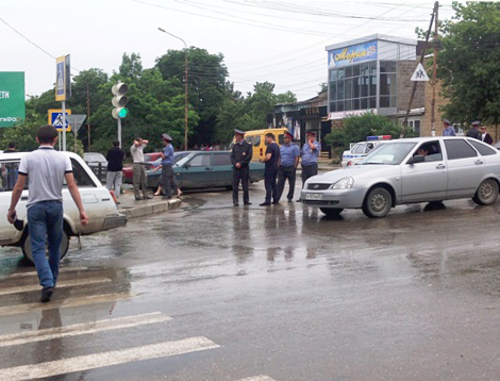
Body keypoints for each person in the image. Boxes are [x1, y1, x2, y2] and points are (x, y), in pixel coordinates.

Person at [7, 125, 88, 303]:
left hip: (36, 208)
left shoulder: (28, 158)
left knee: (37, 248)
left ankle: (47, 282)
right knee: (54, 247)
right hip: (56, 207)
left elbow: (19, 186)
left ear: (37, 139)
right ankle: (52, 282)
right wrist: (81, 209)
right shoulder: (63, 158)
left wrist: (11, 209)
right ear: (55, 139)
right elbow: (72, 185)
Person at [276, 131, 300, 203]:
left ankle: (290, 196)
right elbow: (280, 157)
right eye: (284, 138)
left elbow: (297, 157)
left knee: (291, 183)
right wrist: (278, 164)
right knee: (280, 183)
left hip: (290, 167)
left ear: (290, 139)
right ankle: (277, 197)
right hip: (282, 167)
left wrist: (294, 167)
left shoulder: (295, 147)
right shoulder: (282, 147)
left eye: (286, 138)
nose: (285, 139)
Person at [231, 129, 252, 206]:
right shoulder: (235, 146)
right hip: (236, 169)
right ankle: (235, 201)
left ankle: (246, 200)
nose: (235, 137)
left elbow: (249, 157)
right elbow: (232, 157)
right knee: (235, 186)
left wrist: (241, 163)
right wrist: (235, 163)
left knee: (245, 185)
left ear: (240, 136)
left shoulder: (248, 146)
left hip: (244, 168)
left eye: (236, 136)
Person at [297, 131, 320, 202]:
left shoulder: (316, 144)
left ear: (313, 137)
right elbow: (301, 153)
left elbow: (313, 147)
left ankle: (314, 197)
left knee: (313, 182)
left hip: (312, 166)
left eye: (309, 136)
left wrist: (310, 142)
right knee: (304, 182)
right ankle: (303, 197)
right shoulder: (305, 145)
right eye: (307, 136)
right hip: (305, 166)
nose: (308, 138)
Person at [260, 132, 280, 206]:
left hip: (269, 167)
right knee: (274, 183)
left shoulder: (270, 146)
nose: (265, 139)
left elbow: (268, 157)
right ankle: (275, 199)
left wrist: (263, 160)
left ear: (270, 137)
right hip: (275, 167)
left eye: (266, 138)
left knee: (268, 184)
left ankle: (267, 200)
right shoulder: (277, 146)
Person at [160, 133, 181, 199]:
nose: (163, 142)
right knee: (172, 179)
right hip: (168, 165)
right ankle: (177, 191)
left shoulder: (169, 147)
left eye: (163, 140)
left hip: (167, 165)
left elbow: (164, 157)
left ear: (165, 140)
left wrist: (161, 154)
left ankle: (168, 194)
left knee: (166, 180)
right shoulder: (168, 147)